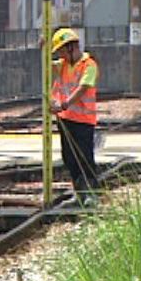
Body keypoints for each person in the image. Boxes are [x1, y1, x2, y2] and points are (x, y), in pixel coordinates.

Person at [48, 28, 100, 207]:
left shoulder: (89, 65)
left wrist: (65, 103)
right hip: (65, 119)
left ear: (71, 47)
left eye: (62, 50)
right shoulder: (63, 64)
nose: (60, 55)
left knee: (84, 157)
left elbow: (84, 87)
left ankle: (91, 194)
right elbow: (47, 65)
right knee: (69, 158)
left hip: (83, 121)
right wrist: (43, 48)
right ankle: (79, 194)